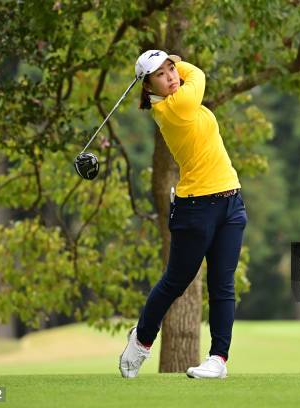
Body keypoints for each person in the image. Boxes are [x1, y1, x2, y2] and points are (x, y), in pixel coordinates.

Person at [119, 49, 248, 379]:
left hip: (231, 201)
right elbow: (199, 76)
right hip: (196, 208)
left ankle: (218, 359)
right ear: (149, 88)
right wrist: (179, 59)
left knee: (222, 286)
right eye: (160, 74)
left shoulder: (182, 100)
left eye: (171, 69)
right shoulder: (173, 108)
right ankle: (142, 340)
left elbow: (191, 78)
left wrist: (171, 61)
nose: (171, 76)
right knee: (176, 282)